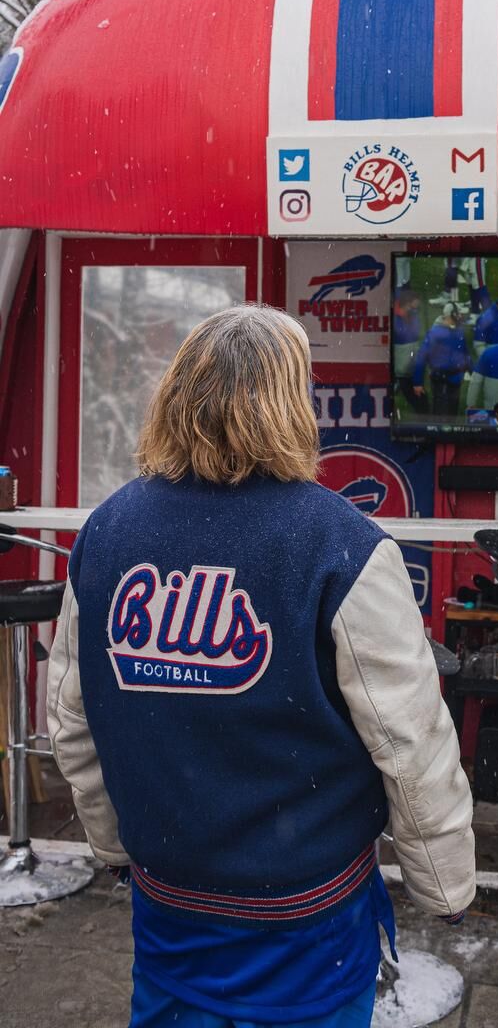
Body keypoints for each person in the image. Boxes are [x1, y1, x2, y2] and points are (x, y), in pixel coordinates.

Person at [47, 305, 475, 1028]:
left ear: (177, 393)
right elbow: (410, 743)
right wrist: (447, 886)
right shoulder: (342, 542)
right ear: (289, 403)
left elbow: (72, 719)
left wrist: (114, 845)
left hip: (171, 910)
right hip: (306, 928)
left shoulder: (107, 532)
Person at [412, 301, 471, 417]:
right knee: (439, 411)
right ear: (451, 315)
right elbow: (421, 358)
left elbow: (465, 354)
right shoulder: (435, 333)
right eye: (457, 313)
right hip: (440, 378)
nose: (459, 316)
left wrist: (474, 373)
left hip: (453, 378)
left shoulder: (457, 332)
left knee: (451, 411)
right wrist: (417, 382)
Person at [393, 288, 428, 414]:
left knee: (419, 398)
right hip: (403, 368)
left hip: (410, 362)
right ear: (408, 303)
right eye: (414, 305)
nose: (416, 308)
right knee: (417, 398)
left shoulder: (410, 315)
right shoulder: (396, 321)